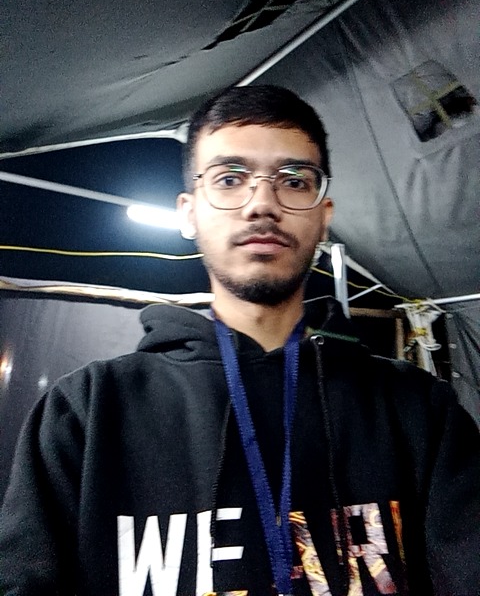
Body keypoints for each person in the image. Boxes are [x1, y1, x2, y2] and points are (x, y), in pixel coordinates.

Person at [0, 85, 479, 596]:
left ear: (323, 216)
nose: (262, 204)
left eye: (294, 180)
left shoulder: (417, 409)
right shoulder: (87, 410)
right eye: (230, 179)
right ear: (188, 213)